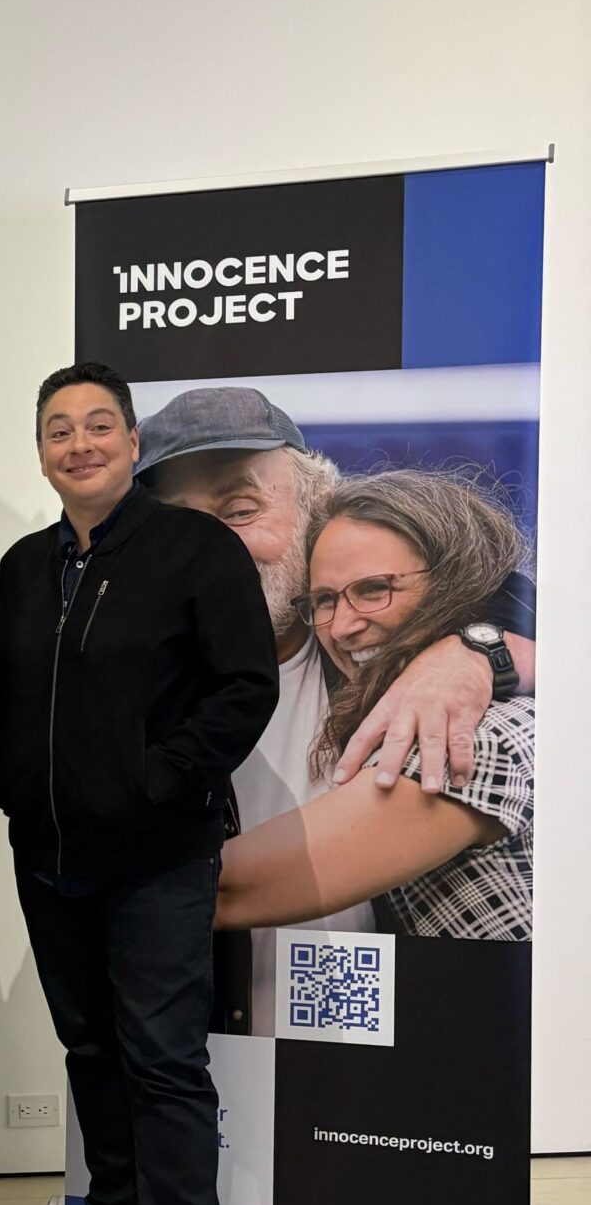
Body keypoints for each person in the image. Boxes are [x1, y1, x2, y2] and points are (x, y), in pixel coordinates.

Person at [0, 363, 277, 1205]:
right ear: (42, 449)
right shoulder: (26, 566)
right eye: (57, 428)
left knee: (162, 1063)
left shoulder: (193, 547)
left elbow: (246, 684)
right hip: (51, 854)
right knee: (91, 1050)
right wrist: (15, 790)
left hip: (158, 854)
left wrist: (158, 779)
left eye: (98, 424)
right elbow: (3, 693)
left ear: (131, 439)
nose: (79, 443)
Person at [139, 387, 535, 1019]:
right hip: (213, 1058)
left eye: (241, 509)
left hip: (425, 1062)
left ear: (314, 512)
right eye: (177, 525)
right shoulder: (135, 691)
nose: (347, 621)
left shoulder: (455, 713)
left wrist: (475, 651)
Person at [216, 469, 534, 939]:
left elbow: (228, 892)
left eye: (373, 590)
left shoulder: (474, 736)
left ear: (455, 581)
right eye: (324, 601)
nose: (342, 627)